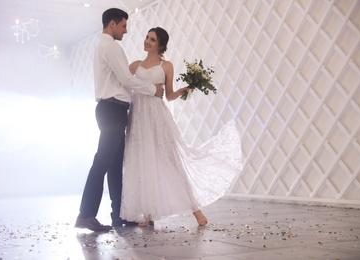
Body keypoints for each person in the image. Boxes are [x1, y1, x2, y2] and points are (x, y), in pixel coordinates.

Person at [120, 27, 243, 227]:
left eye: (152, 39)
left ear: (160, 45)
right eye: (146, 37)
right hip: (138, 118)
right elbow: (124, 84)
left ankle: (196, 210)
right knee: (142, 161)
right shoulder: (135, 65)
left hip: (156, 116)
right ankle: (148, 213)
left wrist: (182, 91)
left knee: (171, 161)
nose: (147, 41)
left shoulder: (166, 65)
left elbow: (168, 96)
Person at [75, 8, 164, 232]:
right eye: (124, 26)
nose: (126, 31)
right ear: (112, 24)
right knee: (102, 163)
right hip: (111, 110)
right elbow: (126, 78)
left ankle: (118, 215)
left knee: (115, 165)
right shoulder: (111, 46)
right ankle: (86, 215)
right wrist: (153, 90)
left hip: (113, 110)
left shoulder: (103, 46)